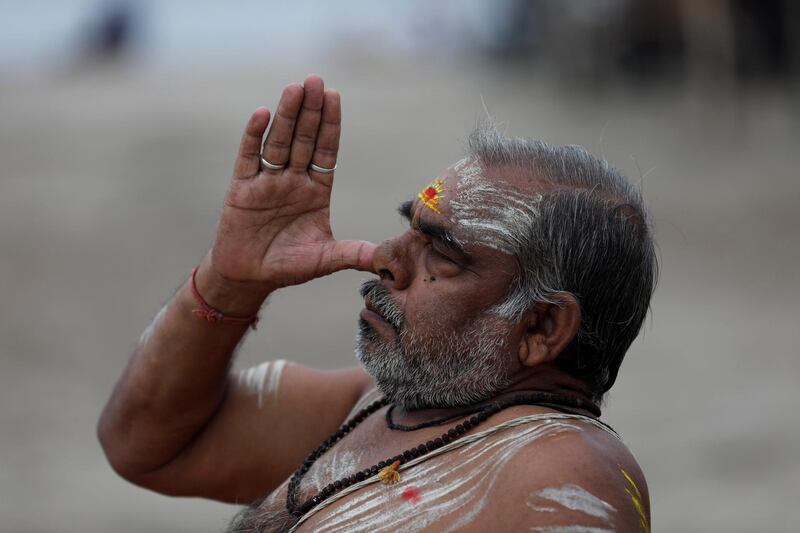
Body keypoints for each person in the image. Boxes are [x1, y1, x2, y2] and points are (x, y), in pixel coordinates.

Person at [98, 74, 656, 533]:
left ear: (541, 325)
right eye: (407, 230)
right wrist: (229, 279)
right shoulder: (373, 406)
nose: (385, 259)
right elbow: (142, 441)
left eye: (441, 252)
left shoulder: (565, 469)